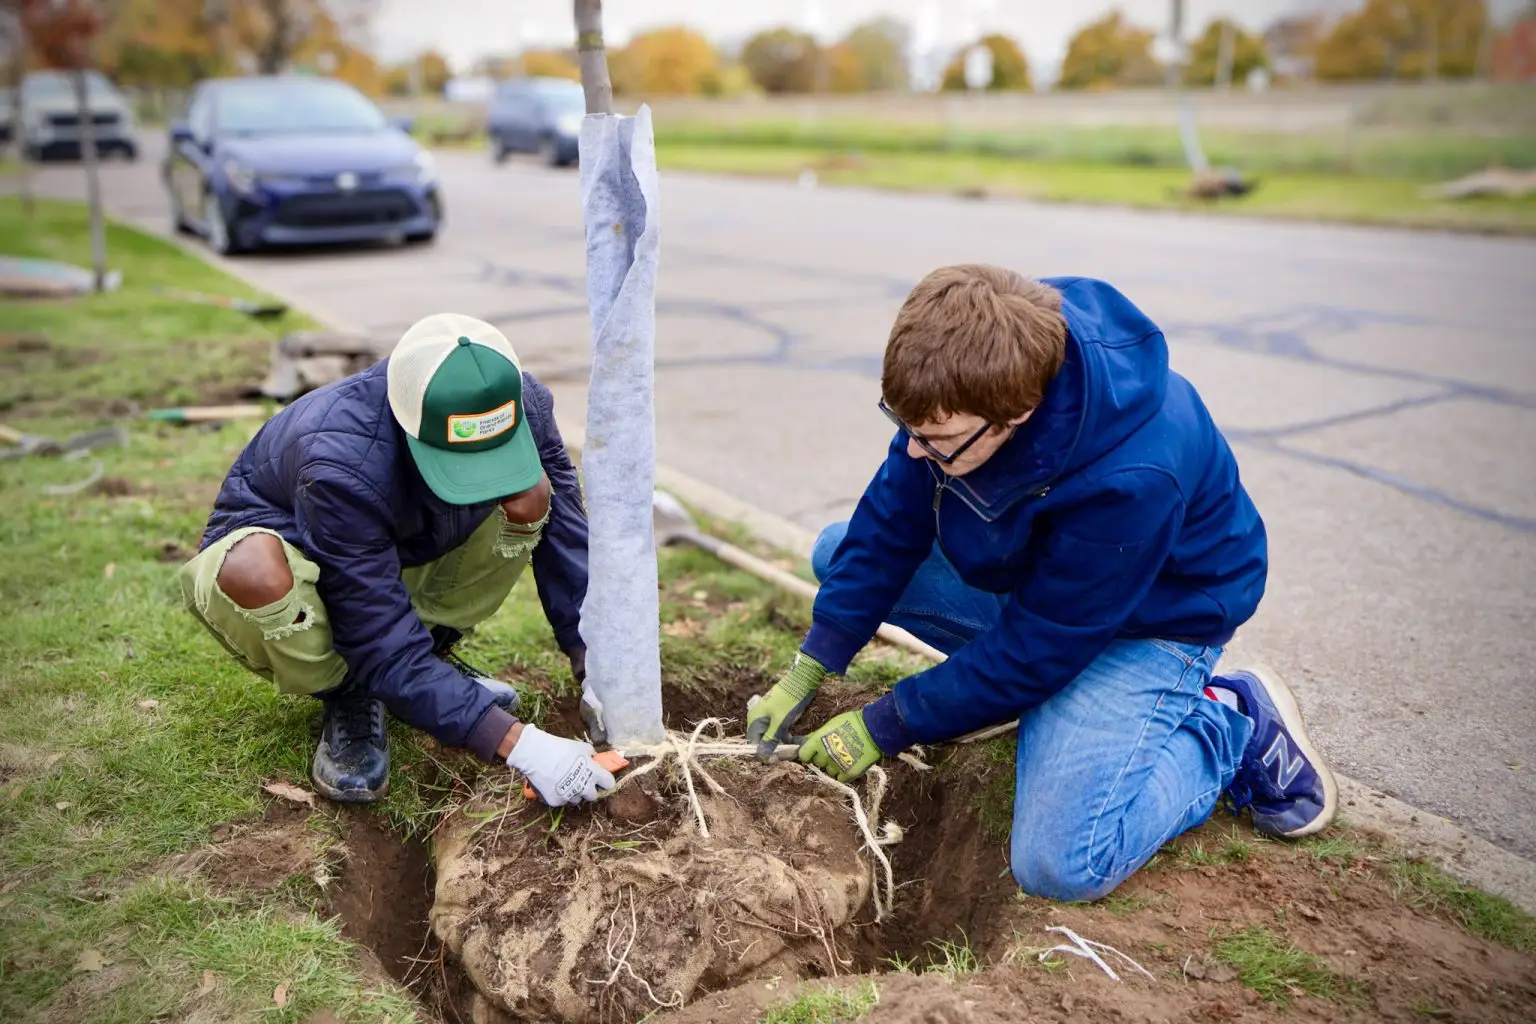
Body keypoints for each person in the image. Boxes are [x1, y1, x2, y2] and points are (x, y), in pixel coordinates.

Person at [745, 266, 1337, 903]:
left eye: (935, 440)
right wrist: (813, 662)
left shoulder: (1134, 475)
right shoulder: (971, 359)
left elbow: (1042, 643)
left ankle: (1226, 724)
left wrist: (886, 724)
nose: (915, 451)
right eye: (906, 427)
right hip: (1051, 589)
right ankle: (1039, 704)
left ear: (1016, 414)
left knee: (1061, 863)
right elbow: (892, 518)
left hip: (1153, 621)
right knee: (841, 553)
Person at [179, 313, 613, 807]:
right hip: (295, 561)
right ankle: (351, 694)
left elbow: (567, 538)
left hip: (397, 541)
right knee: (255, 569)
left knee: (535, 494)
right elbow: (376, 634)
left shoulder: (523, 402)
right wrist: (520, 744)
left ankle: (428, 671)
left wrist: (593, 662)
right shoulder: (340, 460)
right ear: (411, 426)